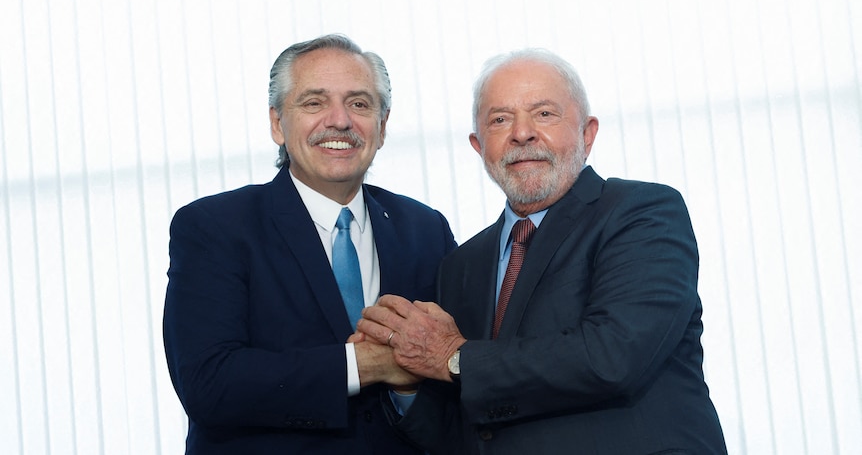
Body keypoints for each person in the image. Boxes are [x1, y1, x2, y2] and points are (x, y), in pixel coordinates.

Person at [357, 48, 728, 454]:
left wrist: (452, 356)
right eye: (500, 119)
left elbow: (613, 356)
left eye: (545, 114)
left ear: (587, 133)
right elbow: (462, 431)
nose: (522, 133)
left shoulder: (641, 212)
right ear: (479, 146)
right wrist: (408, 382)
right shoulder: (461, 265)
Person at [163, 34, 456, 454]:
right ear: (278, 124)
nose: (339, 121)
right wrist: (367, 364)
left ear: (382, 126)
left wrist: (408, 385)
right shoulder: (215, 227)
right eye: (314, 102)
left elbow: (450, 389)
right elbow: (210, 384)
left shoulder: (425, 230)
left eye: (359, 104)